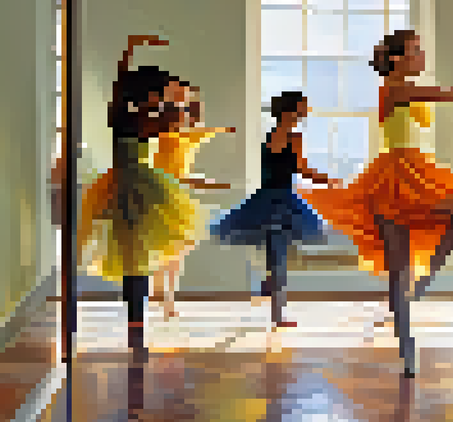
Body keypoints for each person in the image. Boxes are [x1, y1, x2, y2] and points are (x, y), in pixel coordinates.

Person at [303, 29, 453, 375]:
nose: (422, 56)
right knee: (399, 270)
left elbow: (446, 97)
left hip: (416, 171)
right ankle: (408, 353)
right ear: (398, 59)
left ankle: (426, 275)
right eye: (416, 50)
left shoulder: (404, 88)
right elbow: (452, 95)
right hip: (395, 175)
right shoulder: (398, 88)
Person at [77, 34, 200, 358]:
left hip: (137, 189)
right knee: (134, 261)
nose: (161, 99)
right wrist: (130, 49)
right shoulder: (140, 117)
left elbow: (121, 85)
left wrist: (131, 49)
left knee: (136, 261)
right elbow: (123, 86)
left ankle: (137, 324)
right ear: (147, 94)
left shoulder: (125, 115)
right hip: (132, 189)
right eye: (157, 94)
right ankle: (136, 324)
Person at [209, 91, 339, 327]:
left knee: (275, 254)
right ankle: (277, 310)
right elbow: (303, 170)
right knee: (280, 255)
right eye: (302, 108)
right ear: (291, 111)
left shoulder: (269, 136)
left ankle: (273, 298)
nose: (305, 112)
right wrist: (329, 180)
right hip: (284, 201)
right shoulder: (295, 138)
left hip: (264, 199)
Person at [150, 86, 235, 318]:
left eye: (186, 116)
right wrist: (213, 184)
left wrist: (219, 126)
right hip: (163, 199)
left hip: (177, 199)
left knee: (175, 253)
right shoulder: (169, 140)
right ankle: (162, 296)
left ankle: (167, 297)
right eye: (182, 117)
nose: (187, 120)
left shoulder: (183, 137)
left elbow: (200, 129)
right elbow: (179, 175)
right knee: (166, 251)